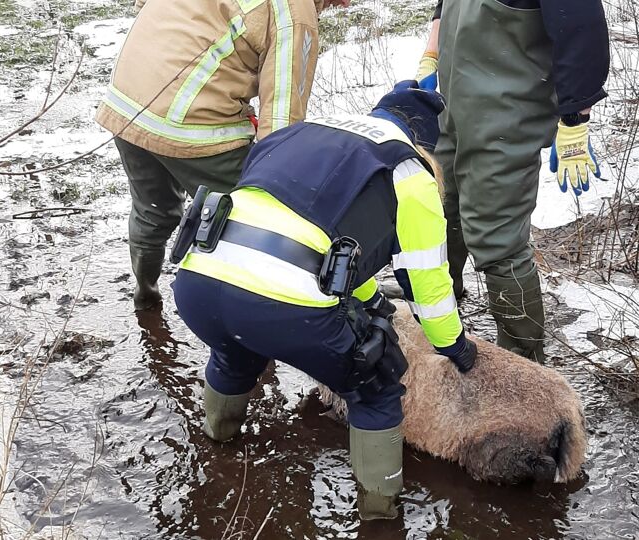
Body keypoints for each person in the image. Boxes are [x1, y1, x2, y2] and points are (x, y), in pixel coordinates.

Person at [170, 81, 477, 520]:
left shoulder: (297, 133)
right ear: (424, 142)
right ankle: (380, 515)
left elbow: (315, 236)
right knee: (375, 390)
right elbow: (426, 282)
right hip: (286, 309)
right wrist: (454, 346)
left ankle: (217, 445)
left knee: (234, 349)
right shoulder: (410, 171)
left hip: (198, 283)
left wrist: (371, 299)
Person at [95, 0, 348, 311]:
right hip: (190, 123)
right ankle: (253, 313)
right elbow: (282, 120)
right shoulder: (294, 11)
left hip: (126, 103)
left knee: (153, 210)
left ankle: (146, 298)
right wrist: (280, 192)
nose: (345, 4)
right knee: (258, 221)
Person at [415, 0, 611, 362]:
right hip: (453, 103)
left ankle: (523, 360)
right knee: (440, 205)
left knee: (497, 236)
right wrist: (431, 55)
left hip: (506, 117)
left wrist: (575, 119)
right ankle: (440, 299)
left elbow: (582, 30)